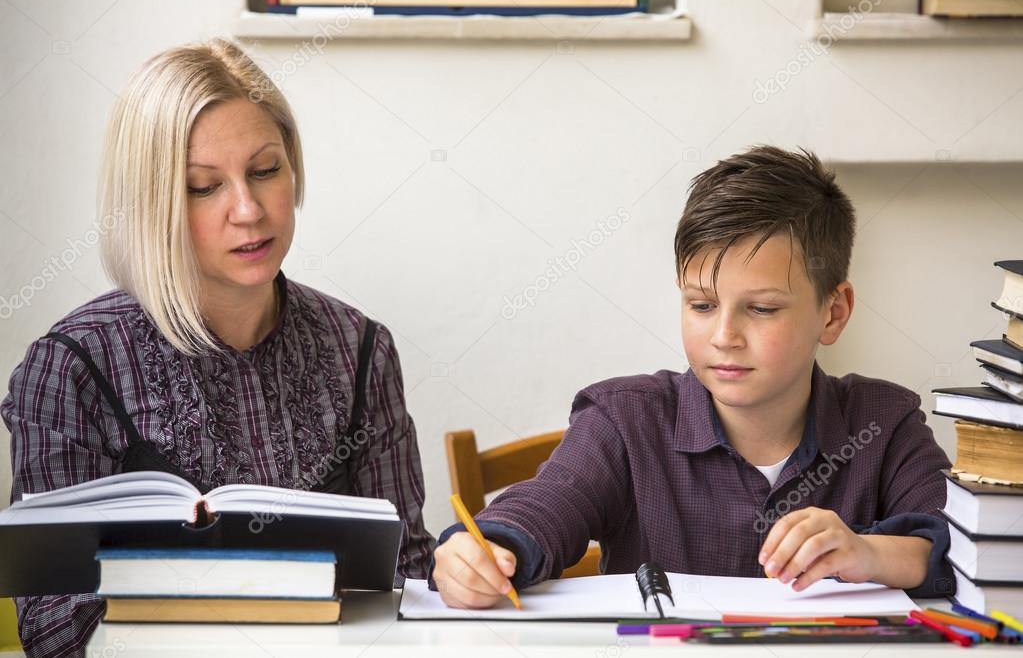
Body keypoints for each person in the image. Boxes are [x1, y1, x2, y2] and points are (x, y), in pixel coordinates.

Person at [2, 38, 435, 657]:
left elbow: (409, 575)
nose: (249, 209)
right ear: (152, 205)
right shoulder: (71, 369)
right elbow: (54, 629)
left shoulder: (360, 347)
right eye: (203, 187)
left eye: (265, 170)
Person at [430, 146, 954, 609]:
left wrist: (869, 552)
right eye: (701, 304)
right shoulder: (624, 419)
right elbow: (547, 504)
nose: (724, 335)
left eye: (763, 309)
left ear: (833, 313)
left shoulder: (883, 423)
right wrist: (483, 550)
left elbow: (961, 548)